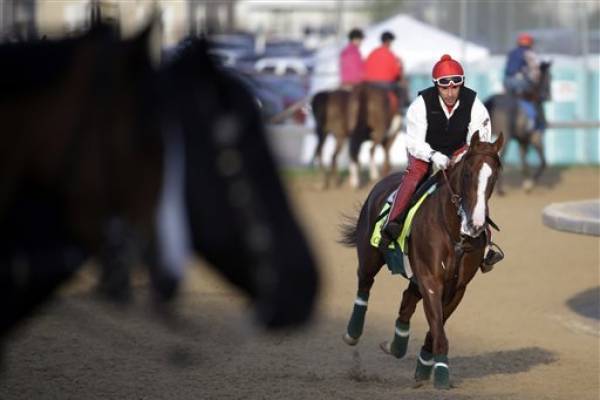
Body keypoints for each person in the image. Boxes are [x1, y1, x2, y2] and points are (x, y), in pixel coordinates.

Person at [379, 54, 504, 271]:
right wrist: (434, 155)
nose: (450, 93)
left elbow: (480, 143)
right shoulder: (419, 105)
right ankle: (393, 223)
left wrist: (461, 155)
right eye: (444, 88)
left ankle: (486, 242)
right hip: (425, 153)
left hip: (460, 153)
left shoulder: (475, 106)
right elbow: (414, 142)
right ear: (436, 85)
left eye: (455, 87)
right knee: (414, 176)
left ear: (461, 85)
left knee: (476, 183)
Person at [363, 31, 404, 112]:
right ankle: (398, 114)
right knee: (401, 91)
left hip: (369, 84)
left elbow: (365, 67)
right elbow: (396, 73)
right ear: (389, 42)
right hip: (385, 85)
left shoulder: (372, 52)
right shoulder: (390, 54)